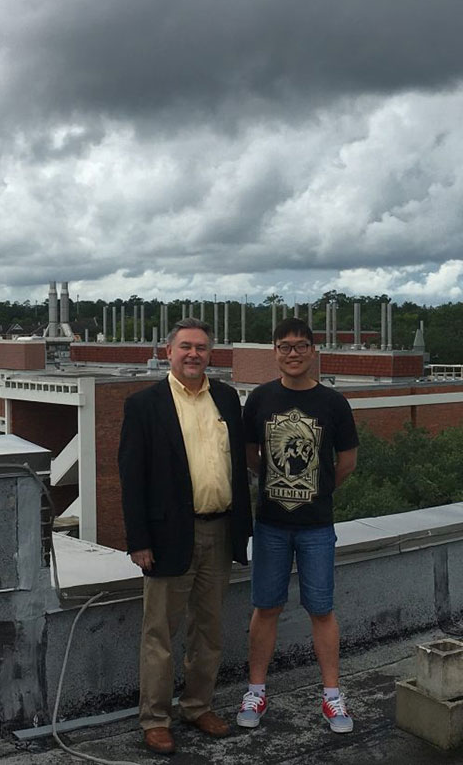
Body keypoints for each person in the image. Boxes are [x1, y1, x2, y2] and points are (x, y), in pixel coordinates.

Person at [118, 318, 251, 755]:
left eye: (202, 348)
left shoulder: (227, 399)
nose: (194, 354)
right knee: (159, 635)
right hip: (167, 537)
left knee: (208, 631)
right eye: (186, 347)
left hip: (220, 530)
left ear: (211, 354)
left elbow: (237, 467)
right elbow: (131, 478)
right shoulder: (145, 405)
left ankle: (197, 706)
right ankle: (155, 719)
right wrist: (138, 541)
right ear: (168, 351)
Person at [237, 317, 360, 734]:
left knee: (322, 609)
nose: (293, 353)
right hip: (270, 523)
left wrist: (317, 491)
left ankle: (332, 696)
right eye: (285, 346)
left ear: (313, 351)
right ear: (274, 352)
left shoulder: (333, 404)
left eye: (301, 346)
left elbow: (346, 463)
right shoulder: (259, 399)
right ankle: (256, 689)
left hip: (316, 527)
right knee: (265, 607)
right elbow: (251, 456)